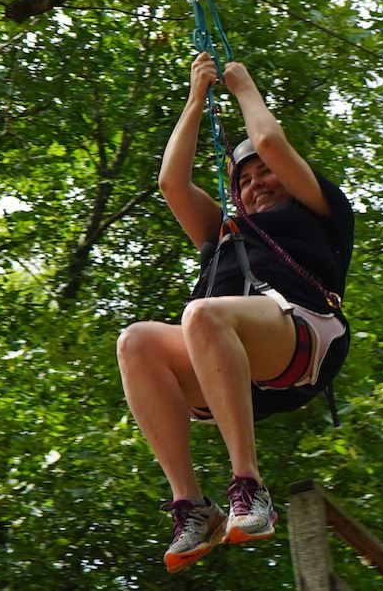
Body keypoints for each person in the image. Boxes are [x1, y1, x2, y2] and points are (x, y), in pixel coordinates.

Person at [119, 51, 354, 573]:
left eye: (267, 174)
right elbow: (171, 185)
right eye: (244, 181)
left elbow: (269, 140)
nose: (257, 182)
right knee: (135, 340)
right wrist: (195, 98)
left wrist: (244, 86)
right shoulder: (225, 232)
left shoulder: (319, 209)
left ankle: (248, 485)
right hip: (227, 366)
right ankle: (193, 507)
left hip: (301, 336)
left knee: (201, 314)